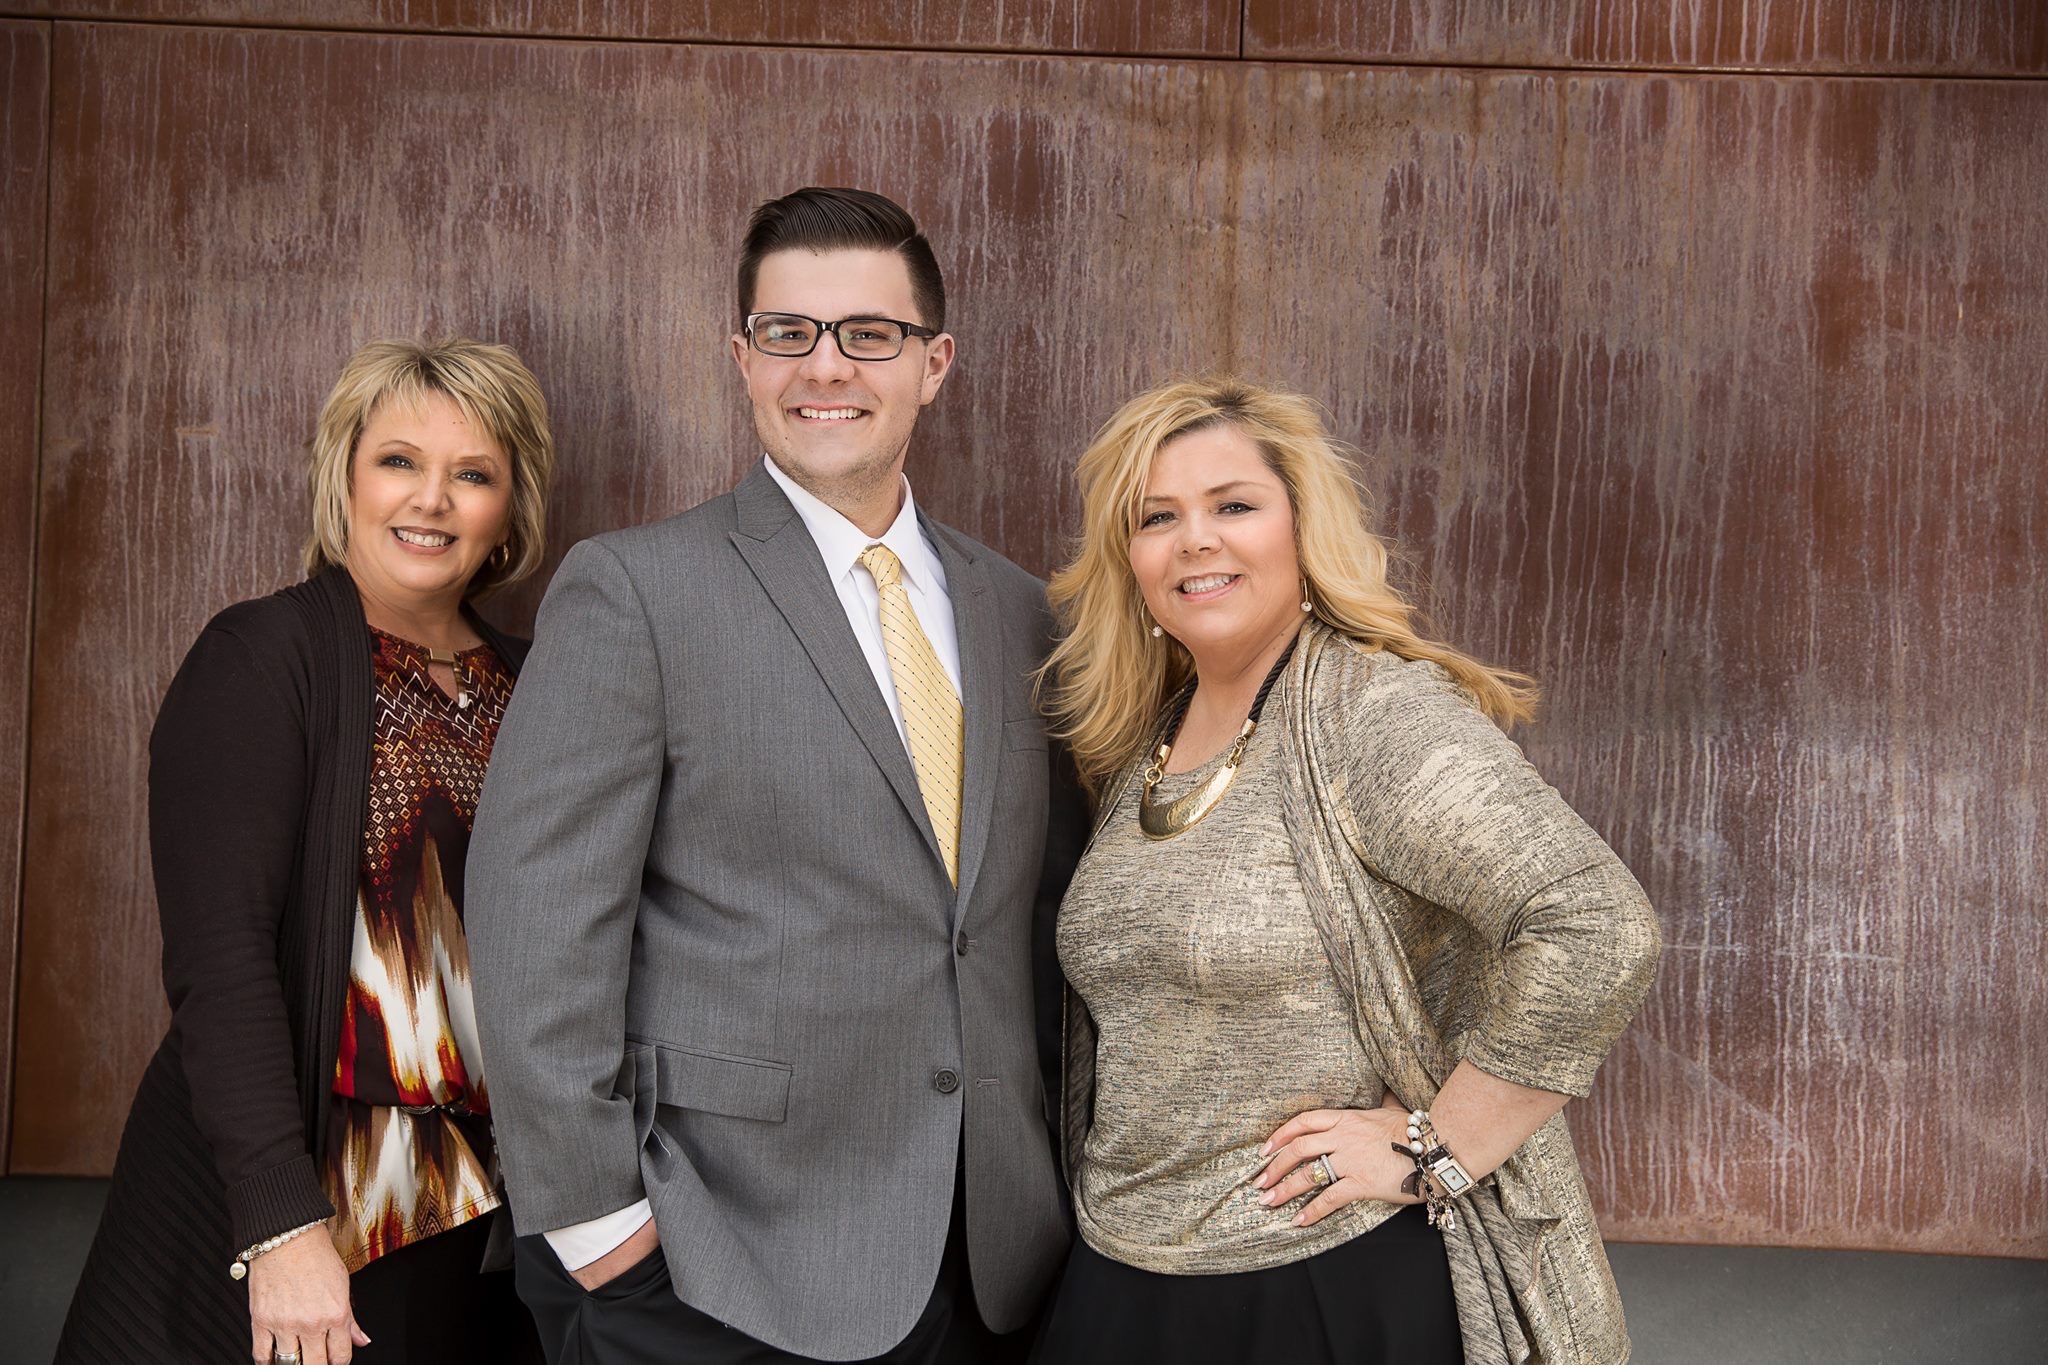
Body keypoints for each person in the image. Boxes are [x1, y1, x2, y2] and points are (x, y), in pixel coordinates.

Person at [465, 186, 1081, 1365]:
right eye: (787, 332)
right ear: (743, 359)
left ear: (934, 364)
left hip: (983, 1265)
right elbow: (534, 923)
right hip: (712, 1261)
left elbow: (1027, 926)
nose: (825, 366)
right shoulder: (636, 591)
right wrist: (600, 1228)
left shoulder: (1021, 614)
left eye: (869, 334)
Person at [1032, 378, 1661, 1365]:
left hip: (1325, 1280)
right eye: (1157, 518)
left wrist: (1437, 1146)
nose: (1195, 540)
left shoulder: (1372, 716)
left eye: (1233, 505)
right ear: (1130, 560)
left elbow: (1594, 924)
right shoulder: (1141, 746)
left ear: (1301, 528)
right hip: (1123, 1274)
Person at [58, 339, 556, 1365]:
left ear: (509, 510)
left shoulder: (542, 684)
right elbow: (222, 963)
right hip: (312, 1206)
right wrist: (280, 1228)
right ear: (345, 478)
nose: (431, 499)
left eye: (472, 474)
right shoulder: (263, 658)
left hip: (488, 1214)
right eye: (398, 461)